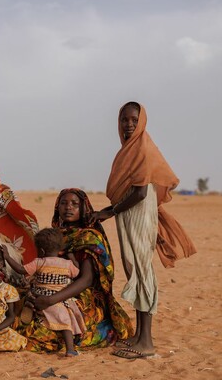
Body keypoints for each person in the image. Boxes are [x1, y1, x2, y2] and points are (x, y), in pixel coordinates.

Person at [92, 102, 196, 359]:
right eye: (124, 120)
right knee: (134, 269)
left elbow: (139, 192)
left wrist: (110, 211)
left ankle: (147, 343)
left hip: (138, 215)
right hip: (129, 215)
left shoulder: (143, 148)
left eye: (133, 119)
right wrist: (110, 211)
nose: (128, 124)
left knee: (141, 270)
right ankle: (139, 336)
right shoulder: (128, 150)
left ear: (142, 121)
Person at [16, 188, 133, 353]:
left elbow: (86, 280)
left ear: (84, 208)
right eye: (63, 203)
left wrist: (51, 299)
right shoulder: (55, 235)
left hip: (80, 296)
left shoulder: (89, 237)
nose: (68, 207)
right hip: (50, 288)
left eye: (74, 204)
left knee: (51, 331)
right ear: (58, 208)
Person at [3, 228, 86, 357]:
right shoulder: (68, 264)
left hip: (38, 296)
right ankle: (70, 349)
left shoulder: (39, 262)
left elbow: (20, 269)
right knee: (65, 321)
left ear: (41, 251)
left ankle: (29, 307)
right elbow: (78, 273)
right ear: (60, 249)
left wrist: (7, 256)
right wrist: (72, 258)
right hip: (57, 299)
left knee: (27, 295)